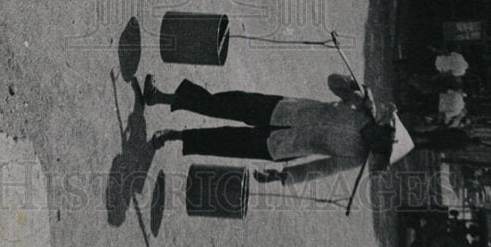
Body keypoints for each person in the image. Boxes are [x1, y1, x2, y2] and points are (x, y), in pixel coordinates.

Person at [143, 73, 399, 179]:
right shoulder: (360, 109)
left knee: (225, 142)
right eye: (386, 137)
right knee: (224, 102)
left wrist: (285, 176)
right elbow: (332, 81)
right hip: (282, 109)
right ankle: (162, 97)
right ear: (385, 127)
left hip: (282, 147)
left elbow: (323, 168)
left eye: (383, 150)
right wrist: (357, 89)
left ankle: (172, 136)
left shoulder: (357, 156)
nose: (379, 144)